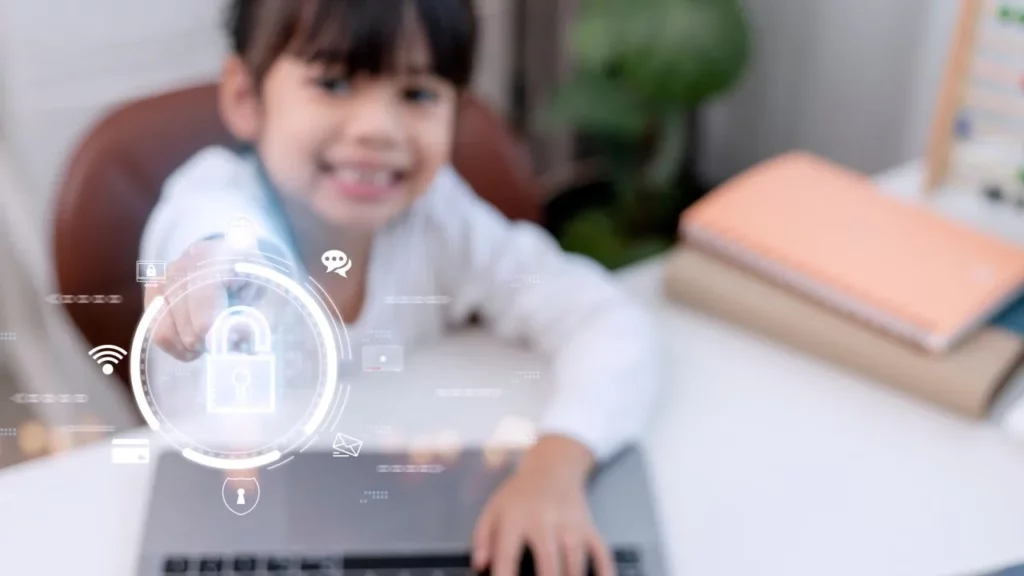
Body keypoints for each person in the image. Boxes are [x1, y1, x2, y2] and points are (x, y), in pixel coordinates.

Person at [140, 1, 659, 575]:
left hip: (406, 508)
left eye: (417, 95)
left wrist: (555, 466)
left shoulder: (438, 218)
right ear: (245, 96)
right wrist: (212, 270)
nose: (376, 131)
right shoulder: (214, 197)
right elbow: (221, 240)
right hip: (246, 521)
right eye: (332, 83)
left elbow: (604, 319)